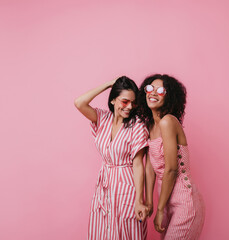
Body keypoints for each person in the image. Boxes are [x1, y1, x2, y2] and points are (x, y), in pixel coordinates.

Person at [74, 76, 149, 240]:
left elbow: (138, 165)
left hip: (126, 187)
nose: (130, 107)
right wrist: (108, 84)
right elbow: (79, 103)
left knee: (126, 232)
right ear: (113, 99)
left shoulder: (137, 126)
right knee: (102, 230)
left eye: (133, 103)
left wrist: (139, 200)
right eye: (125, 101)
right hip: (104, 186)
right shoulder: (103, 119)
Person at [138, 74, 205, 239]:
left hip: (185, 202)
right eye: (149, 88)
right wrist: (149, 202)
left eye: (160, 90)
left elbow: (171, 170)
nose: (153, 93)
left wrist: (159, 210)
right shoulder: (150, 125)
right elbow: (149, 167)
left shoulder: (168, 122)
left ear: (169, 97)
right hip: (166, 202)